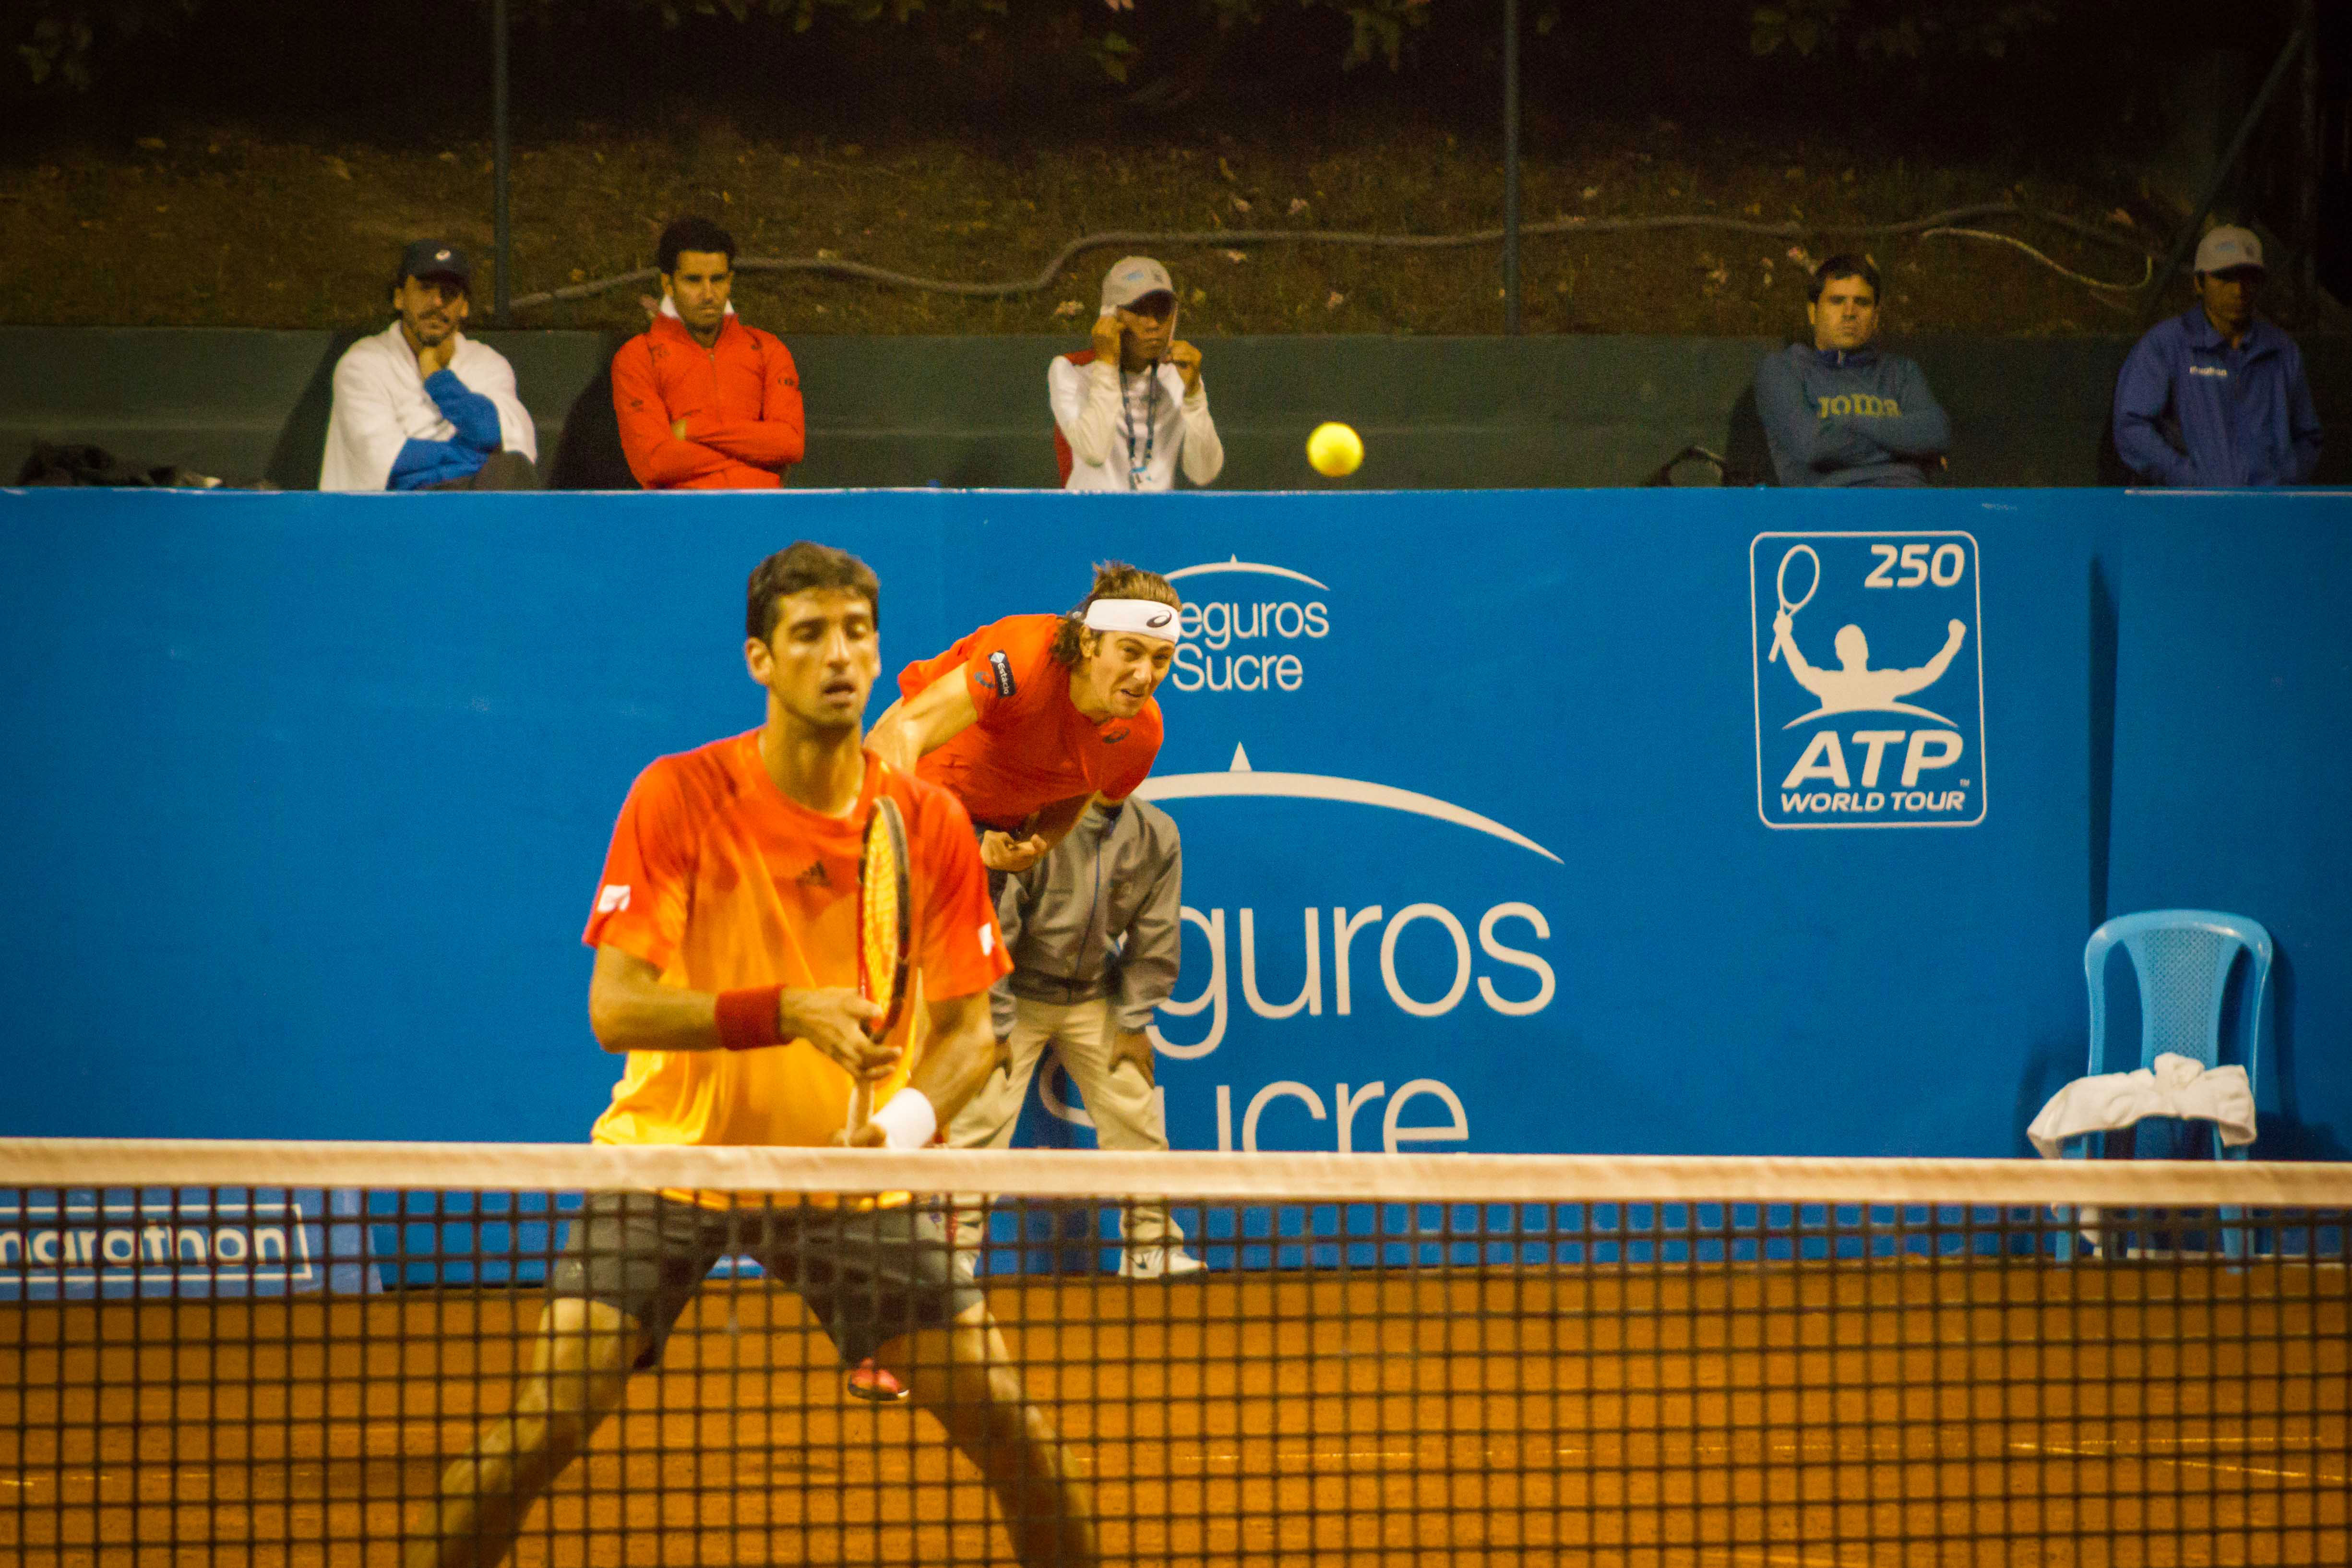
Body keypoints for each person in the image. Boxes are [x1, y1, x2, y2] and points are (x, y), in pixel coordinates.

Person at [403, 542, 1097, 1568]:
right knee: (542, 1426)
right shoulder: (678, 794)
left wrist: (895, 1137)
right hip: (671, 1162)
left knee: (1020, 1440)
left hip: (846, 1185)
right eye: (809, 634)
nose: (839, 656)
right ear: (759, 660)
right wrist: (786, 1011)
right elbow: (618, 1007)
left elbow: (967, 1037)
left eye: (856, 632)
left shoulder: (929, 820)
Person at [951, 795, 1202, 1280]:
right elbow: (993, 928)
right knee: (979, 1118)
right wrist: (995, 1024)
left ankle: (1149, 1248)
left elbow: (1156, 933)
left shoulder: (1156, 833)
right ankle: (952, 1254)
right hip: (1014, 992)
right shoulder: (1031, 821)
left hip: (1093, 993)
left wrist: (1133, 1021)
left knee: (1133, 1110)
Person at [866, 563, 1181, 886]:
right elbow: (902, 731)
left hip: (985, 840)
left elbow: (1084, 784)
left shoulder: (1141, 735)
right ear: (1089, 641)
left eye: (1161, 658)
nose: (1144, 675)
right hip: (908, 795)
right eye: (1130, 652)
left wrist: (1036, 842)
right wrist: (895, 846)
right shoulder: (1022, 660)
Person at [2113, 226, 2322, 488]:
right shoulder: (2167, 344)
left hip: (2268, 514)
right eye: (2225, 278)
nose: (2239, 290)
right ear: (2199, 283)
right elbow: (2132, 427)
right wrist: (2189, 480)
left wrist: (2281, 481)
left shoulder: (2282, 350)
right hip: (2193, 514)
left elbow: (2308, 437)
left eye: (2249, 277)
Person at [320, 240, 538, 491]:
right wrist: (473, 457)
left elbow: (493, 435)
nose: (436, 302)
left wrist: (437, 377)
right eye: (425, 289)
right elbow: (394, 466)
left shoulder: (487, 363)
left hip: (474, 509)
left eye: (449, 293)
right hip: (394, 516)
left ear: (464, 306)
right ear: (400, 298)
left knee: (510, 470)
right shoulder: (363, 363)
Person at [611, 216, 805, 490]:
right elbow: (654, 463)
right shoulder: (637, 357)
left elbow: (790, 444)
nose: (708, 294)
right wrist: (754, 453)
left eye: (718, 280)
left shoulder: (767, 349)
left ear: (730, 280)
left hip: (762, 519)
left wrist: (692, 430)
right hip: (682, 522)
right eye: (693, 280)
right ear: (668, 284)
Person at [1753, 254, 1951, 488]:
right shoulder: (1784, 369)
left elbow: (1936, 434)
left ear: (1876, 317)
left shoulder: (1901, 371)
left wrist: (1852, 423)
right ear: (1813, 313)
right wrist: (1912, 450)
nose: (1849, 312)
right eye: (1837, 301)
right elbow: (1813, 447)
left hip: (1908, 505)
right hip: (1827, 510)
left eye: (1862, 303)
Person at [1049, 257, 1224, 491]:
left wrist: (1194, 396)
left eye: (1162, 311)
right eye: (1139, 310)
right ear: (1110, 317)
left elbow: (1203, 473)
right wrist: (1107, 365)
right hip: (1090, 521)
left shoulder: (1178, 375)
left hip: (1156, 523)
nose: (1153, 324)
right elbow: (1094, 451)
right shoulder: (1071, 370)